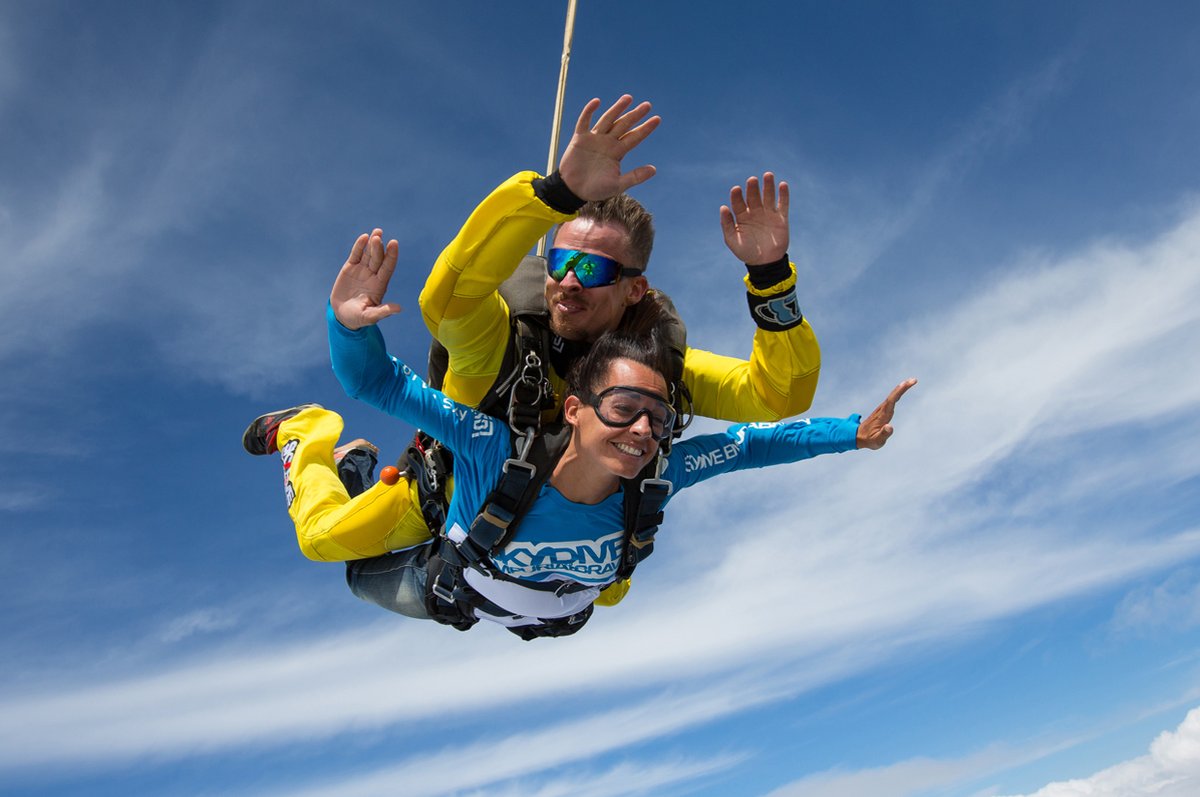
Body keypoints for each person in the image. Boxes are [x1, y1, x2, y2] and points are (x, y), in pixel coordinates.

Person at [311, 95, 823, 583]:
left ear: (634, 289)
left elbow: (775, 395)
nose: (570, 281)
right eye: (561, 262)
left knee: (610, 589)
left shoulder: (649, 369)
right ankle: (305, 436)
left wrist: (771, 279)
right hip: (440, 503)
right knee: (321, 541)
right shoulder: (500, 339)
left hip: (561, 544)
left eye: (593, 267)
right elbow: (450, 301)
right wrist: (555, 194)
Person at [243, 297, 915, 638]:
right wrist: (348, 323)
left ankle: (359, 468)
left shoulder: (658, 476)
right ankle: (310, 435)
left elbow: (751, 443)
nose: (644, 430)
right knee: (332, 551)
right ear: (575, 407)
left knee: (617, 575)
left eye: (659, 417)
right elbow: (385, 385)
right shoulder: (490, 447)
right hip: (452, 579)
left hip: (549, 608)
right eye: (624, 407)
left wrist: (852, 433)